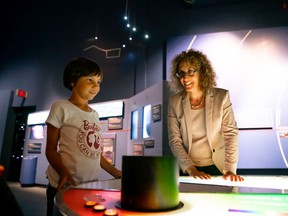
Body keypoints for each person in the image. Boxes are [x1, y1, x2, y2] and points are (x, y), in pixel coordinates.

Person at [45, 57, 122, 216]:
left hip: (88, 185)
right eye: (90, 80)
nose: (96, 86)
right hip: (63, 184)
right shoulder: (61, 107)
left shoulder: (95, 114)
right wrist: (63, 173)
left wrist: (115, 172)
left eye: (99, 81)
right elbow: (50, 150)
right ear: (72, 81)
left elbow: (94, 153)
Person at [167, 49, 244, 182]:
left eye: (191, 71)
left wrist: (230, 169)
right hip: (188, 169)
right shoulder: (174, 102)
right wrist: (191, 169)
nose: (185, 78)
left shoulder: (222, 97)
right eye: (181, 73)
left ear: (202, 72)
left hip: (218, 167)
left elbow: (231, 134)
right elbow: (175, 141)